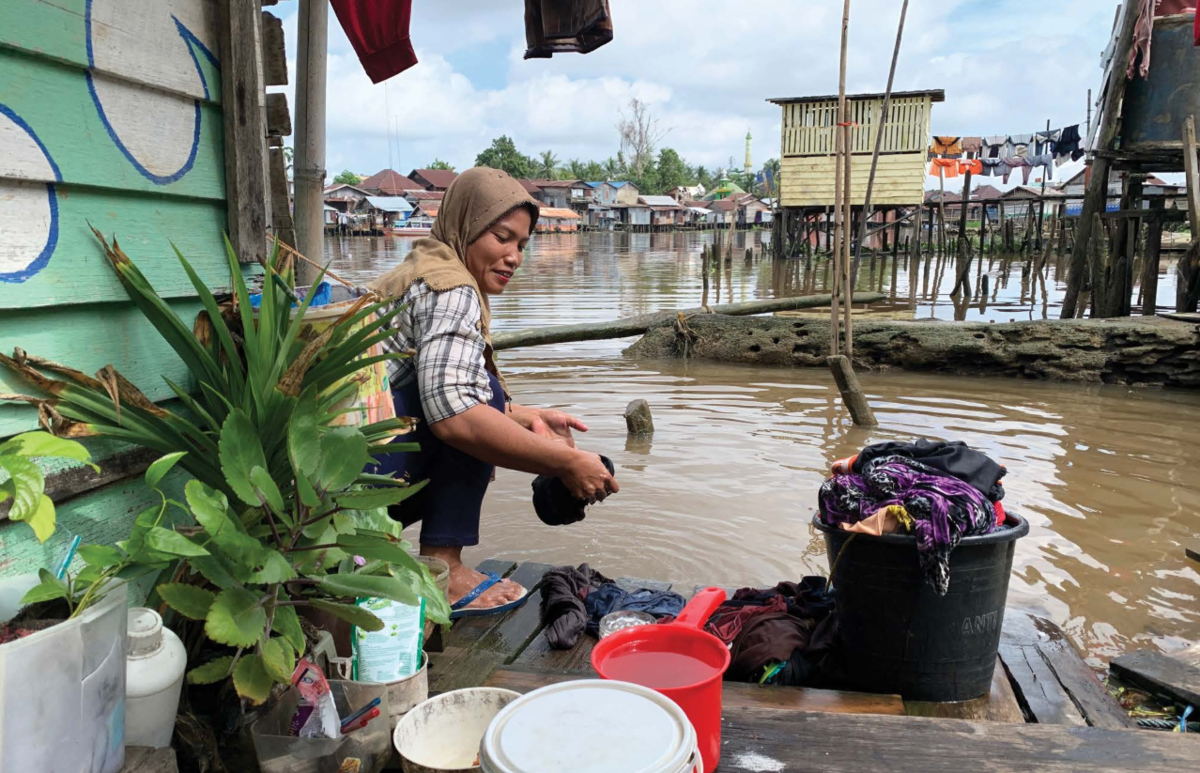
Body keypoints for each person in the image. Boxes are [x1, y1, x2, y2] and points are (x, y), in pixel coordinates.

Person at [369, 167, 619, 616]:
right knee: (476, 408)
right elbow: (455, 415)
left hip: (337, 470)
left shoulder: (427, 264)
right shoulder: (453, 288)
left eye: (521, 244)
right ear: (465, 225)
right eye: (501, 237)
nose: (513, 257)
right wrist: (567, 461)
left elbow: (431, 384)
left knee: (487, 400)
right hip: (352, 482)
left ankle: (430, 561)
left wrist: (520, 413)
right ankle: (442, 568)